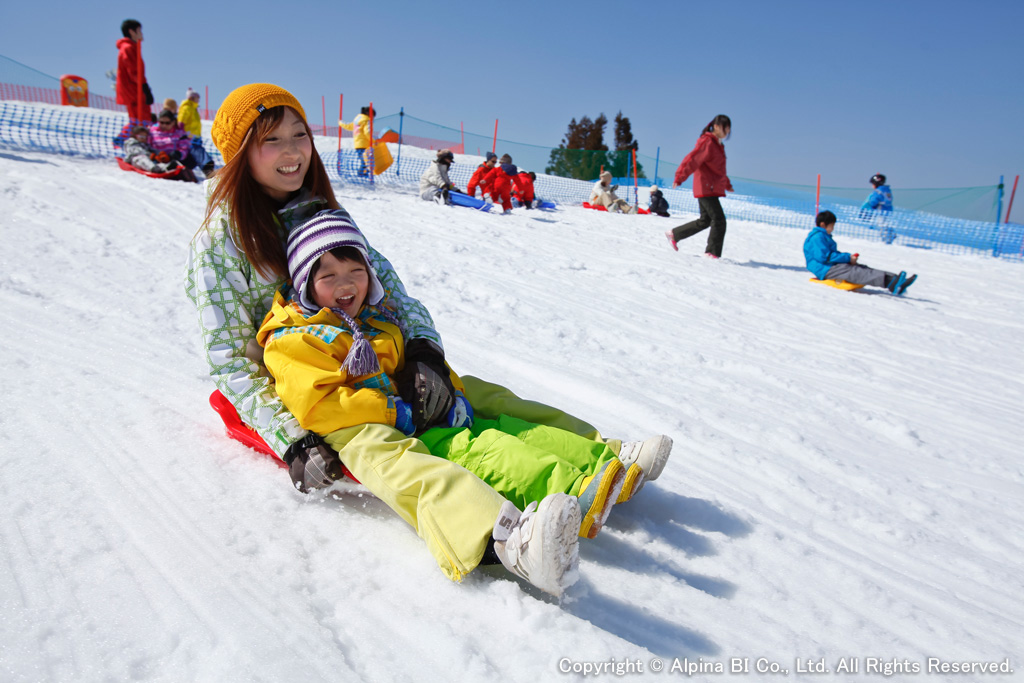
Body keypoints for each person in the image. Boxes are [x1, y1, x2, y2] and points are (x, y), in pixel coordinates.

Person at [185, 83, 672, 596]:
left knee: (478, 395)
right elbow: (229, 360)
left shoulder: (318, 209)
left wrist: (424, 353)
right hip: (313, 390)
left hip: (374, 352)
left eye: (299, 135)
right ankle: (505, 538)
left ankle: (599, 457)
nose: (292, 152)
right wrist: (292, 440)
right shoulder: (221, 241)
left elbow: (392, 292)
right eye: (271, 140)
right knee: (394, 449)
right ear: (241, 154)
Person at [257, 210, 658, 540]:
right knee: (475, 448)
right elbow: (321, 405)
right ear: (306, 285)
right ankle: (570, 492)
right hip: (371, 424)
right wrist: (397, 412)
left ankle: (602, 456)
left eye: (355, 270)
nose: (345, 284)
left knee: (496, 404)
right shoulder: (297, 339)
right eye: (327, 276)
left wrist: (449, 389)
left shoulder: (376, 319)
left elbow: (408, 357)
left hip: (407, 407)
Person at [804, 210, 917, 295]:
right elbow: (825, 257)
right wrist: (848, 258)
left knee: (862, 268)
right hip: (824, 269)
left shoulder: (824, 236)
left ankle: (896, 280)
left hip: (830, 266)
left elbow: (830, 255)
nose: (833, 228)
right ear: (823, 224)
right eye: (832, 226)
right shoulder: (817, 238)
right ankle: (891, 282)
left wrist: (849, 259)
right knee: (856, 272)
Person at [668, 115, 734, 258]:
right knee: (719, 220)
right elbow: (692, 159)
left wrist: (727, 184)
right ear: (716, 126)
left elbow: (719, 170)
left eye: (729, 128)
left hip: (711, 187)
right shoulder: (708, 142)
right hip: (705, 187)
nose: (728, 130)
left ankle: (675, 234)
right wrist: (680, 177)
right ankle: (712, 253)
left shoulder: (719, 146)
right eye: (725, 127)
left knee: (706, 221)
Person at [115, 19, 153, 146]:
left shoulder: (132, 47)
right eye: (139, 31)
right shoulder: (128, 48)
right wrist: (144, 87)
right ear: (132, 32)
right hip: (134, 90)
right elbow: (134, 70)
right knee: (140, 119)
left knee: (140, 119)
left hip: (136, 88)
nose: (141, 34)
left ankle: (126, 141)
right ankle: (121, 141)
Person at [123, 125, 188, 177]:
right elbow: (137, 151)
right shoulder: (131, 143)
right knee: (142, 158)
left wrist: (159, 153)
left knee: (157, 162)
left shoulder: (145, 144)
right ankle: (153, 168)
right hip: (134, 160)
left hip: (147, 159)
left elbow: (151, 149)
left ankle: (166, 167)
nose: (143, 138)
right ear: (135, 136)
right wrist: (150, 155)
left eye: (145, 136)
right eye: (141, 136)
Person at [179, 88, 216, 176]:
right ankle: (208, 170)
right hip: (189, 138)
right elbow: (181, 122)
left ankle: (207, 168)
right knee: (198, 153)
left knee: (197, 153)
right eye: (197, 98)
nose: (198, 100)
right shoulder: (187, 108)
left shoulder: (193, 108)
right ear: (192, 98)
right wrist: (182, 134)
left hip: (195, 138)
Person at [860, 173, 896, 244]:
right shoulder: (887, 190)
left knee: (882, 224)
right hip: (888, 211)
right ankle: (890, 235)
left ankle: (886, 239)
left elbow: (873, 201)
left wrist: (871, 206)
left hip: (880, 211)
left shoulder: (878, 191)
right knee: (886, 224)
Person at [339, 105, 374, 177]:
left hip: (358, 145)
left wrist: (341, 123)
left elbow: (349, 126)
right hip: (365, 144)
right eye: (373, 116)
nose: (373, 118)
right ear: (369, 113)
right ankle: (361, 175)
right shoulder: (367, 120)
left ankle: (363, 174)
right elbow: (367, 132)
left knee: (365, 161)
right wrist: (373, 140)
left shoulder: (357, 120)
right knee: (366, 161)